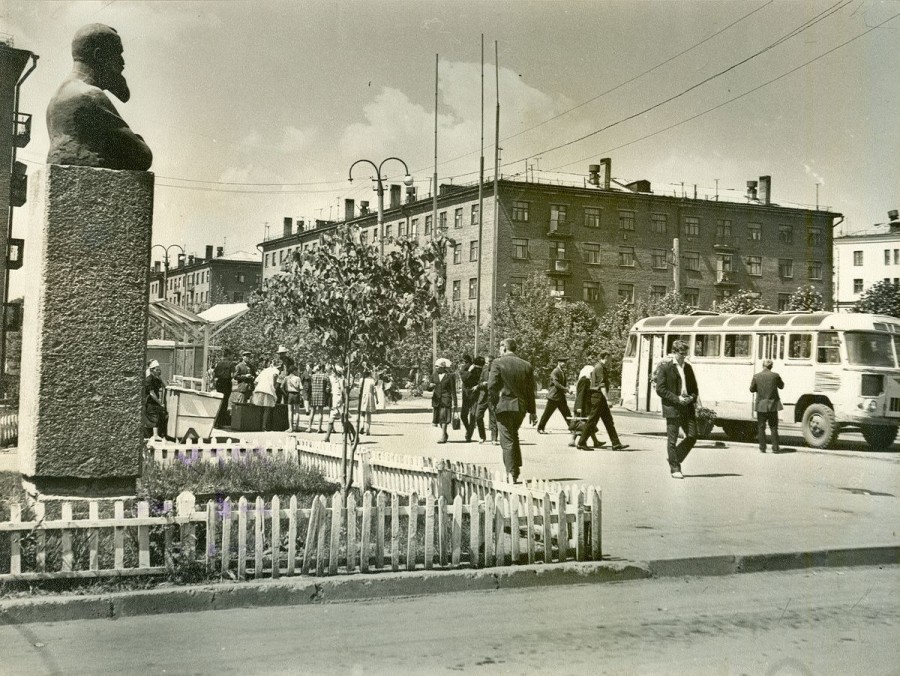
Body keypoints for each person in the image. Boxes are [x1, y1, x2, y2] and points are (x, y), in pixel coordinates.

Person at [47, 24, 152, 170]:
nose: (122, 63)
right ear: (99, 56)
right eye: (117, 54)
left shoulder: (59, 95)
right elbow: (142, 156)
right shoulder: (90, 95)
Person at [488, 338, 537, 483]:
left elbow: (491, 386)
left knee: (507, 440)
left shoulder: (497, 362)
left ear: (504, 347)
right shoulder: (526, 365)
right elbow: (530, 390)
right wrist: (532, 411)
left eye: (499, 347)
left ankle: (511, 473)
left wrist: (493, 404)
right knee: (513, 435)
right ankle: (516, 467)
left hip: (503, 406)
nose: (499, 350)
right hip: (520, 408)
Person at [655, 340, 699, 479]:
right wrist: (677, 398)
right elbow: (660, 389)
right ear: (674, 352)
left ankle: (674, 457)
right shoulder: (666, 368)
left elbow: (694, 389)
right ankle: (675, 468)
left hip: (687, 406)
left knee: (692, 436)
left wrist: (691, 398)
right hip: (673, 407)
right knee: (672, 439)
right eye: (681, 353)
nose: (684, 356)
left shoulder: (688, 368)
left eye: (685, 354)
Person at [577, 352, 629, 451]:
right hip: (598, 398)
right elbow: (602, 385)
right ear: (605, 358)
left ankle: (616, 443)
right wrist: (607, 399)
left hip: (600, 398)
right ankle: (581, 442)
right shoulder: (599, 367)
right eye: (610, 359)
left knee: (608, 421)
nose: (611, 361)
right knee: (592, 421)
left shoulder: (602, 368)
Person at [750, 359, 785, 453]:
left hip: (761, 405)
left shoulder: (756, 376)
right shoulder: (775, 376)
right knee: (773, 427)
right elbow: (782, 386)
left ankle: (762, 448)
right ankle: (775, 448)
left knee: (761, 427)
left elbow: (751, 389)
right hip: (773, 406)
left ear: (763, 366)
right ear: (771, 366)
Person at [570, 363, 606, 449]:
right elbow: (581, 394)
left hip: (583, 405)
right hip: (582, 406)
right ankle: (573, 440)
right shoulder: (584, 381)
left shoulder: (583, 380)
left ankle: (595, 441)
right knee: (583, 424)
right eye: (591, 373)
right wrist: (579, 407)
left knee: (587, 424)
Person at [537, 357, 572, 434]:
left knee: (567, 413)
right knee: (547, 414)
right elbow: (556, 384)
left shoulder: (562, 372)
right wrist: (566, 389)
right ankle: (540, 428)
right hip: (553, 397)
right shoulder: (555, 371)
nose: (565, 364)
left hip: (560, 397)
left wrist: (566, 389)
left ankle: (572, 428)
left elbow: (562, 384)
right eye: (563, 362)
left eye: (565, 362)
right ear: (559, 362)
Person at [430, 358, 458, 444]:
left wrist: (455, 402)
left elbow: (453, 390)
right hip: (436, 399)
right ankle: (445, 434)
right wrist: (430, 386)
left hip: (446, 399)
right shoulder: (434, 375)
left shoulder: (450, 376)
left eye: (437, 366)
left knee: (444, 418)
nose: (436, 368)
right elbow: (429, 388)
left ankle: (442, 436)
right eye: (435, 366)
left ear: (443, 367)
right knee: (439, 418)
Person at [474, 355, 498, 445]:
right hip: (483, 397)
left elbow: (500, 384)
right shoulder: (484, 371)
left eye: (489, 362)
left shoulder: (497, 372)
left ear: (493, 362)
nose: (487, 365)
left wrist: (491, 384)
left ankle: (494, 439)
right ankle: (482, 436)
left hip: (492, 397)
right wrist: (482, 383)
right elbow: (479, 383)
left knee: (493, 418)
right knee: (478, 416)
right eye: (486, 363)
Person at [252, 357, 280, 431]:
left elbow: (255, 381)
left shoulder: (264, 371)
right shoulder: (276, 370)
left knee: (258, 408)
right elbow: (275, 378)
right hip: (268, 391)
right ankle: (263, 427)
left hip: (259, 390)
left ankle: (255, 425)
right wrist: (274, 386)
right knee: (266, 409)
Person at [143, 359, 168, 439]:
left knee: (160, 415)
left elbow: (165, 386)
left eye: (159, 370)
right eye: (157, 370)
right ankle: (155, 435)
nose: (158, 371)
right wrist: (160, 403)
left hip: (154, 402)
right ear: (151, 370)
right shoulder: (149, 380)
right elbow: (152, 393)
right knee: (154, 417)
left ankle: (157, 434)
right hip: (150, 401)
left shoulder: (156, 379)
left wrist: (160, 378)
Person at [459, 354, 482, 442]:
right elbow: (464, 378)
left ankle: (469, 434)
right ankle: (469, 430)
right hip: (466, 395)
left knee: (472, 416)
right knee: (463, 415)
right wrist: (469, 370)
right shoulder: (464, 369)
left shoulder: (477, 369)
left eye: (465, 362)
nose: (463, 364)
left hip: (475, 394)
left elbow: (480, 379)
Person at [324, 364, 346, 443]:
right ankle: (327, 437)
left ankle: (350, 436)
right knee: (331, 419)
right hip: (335, 402)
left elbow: (342, 393)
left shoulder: (341, 380)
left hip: (339, 403)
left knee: (344, 421)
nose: (333, 373)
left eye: (334, 372)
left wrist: (337, 404)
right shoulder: (333, 379)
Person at [306, 363, 330, 433]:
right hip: (321, 394)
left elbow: (309, 385)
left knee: (312, 412)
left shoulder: (312, 376)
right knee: (320, 412)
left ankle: (309, 428)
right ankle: (319, 428)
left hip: (313, 394)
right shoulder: (325, 376)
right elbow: (328, 388)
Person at [212, 355, 234, 428]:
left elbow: (214, 374)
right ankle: (220, 423)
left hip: (219, 383)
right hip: (226, 384)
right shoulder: (231, 364)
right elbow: (232, 375)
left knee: (219, 402)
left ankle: (215, 422)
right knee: (224, 403)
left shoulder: (219, 363)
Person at [359, 369, 380, 435]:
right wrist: (377, 399)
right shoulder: (372, 381)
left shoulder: (362, 380)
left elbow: (360, 390)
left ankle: (361, 425)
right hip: (370, 396)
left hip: (363, 396)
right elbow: (374, 391)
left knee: (362, 412)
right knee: (369, 413)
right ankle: (367, 430)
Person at [284, 365, 303, 432]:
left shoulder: (286, 378)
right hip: (296, 394)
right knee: (297, 411)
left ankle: (290, 427)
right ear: (294, 371)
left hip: (290, 394)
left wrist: (285, 392)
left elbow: (282, 386)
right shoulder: (297, 378)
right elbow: (300, 387)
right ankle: (297, 427)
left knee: (290, 411)